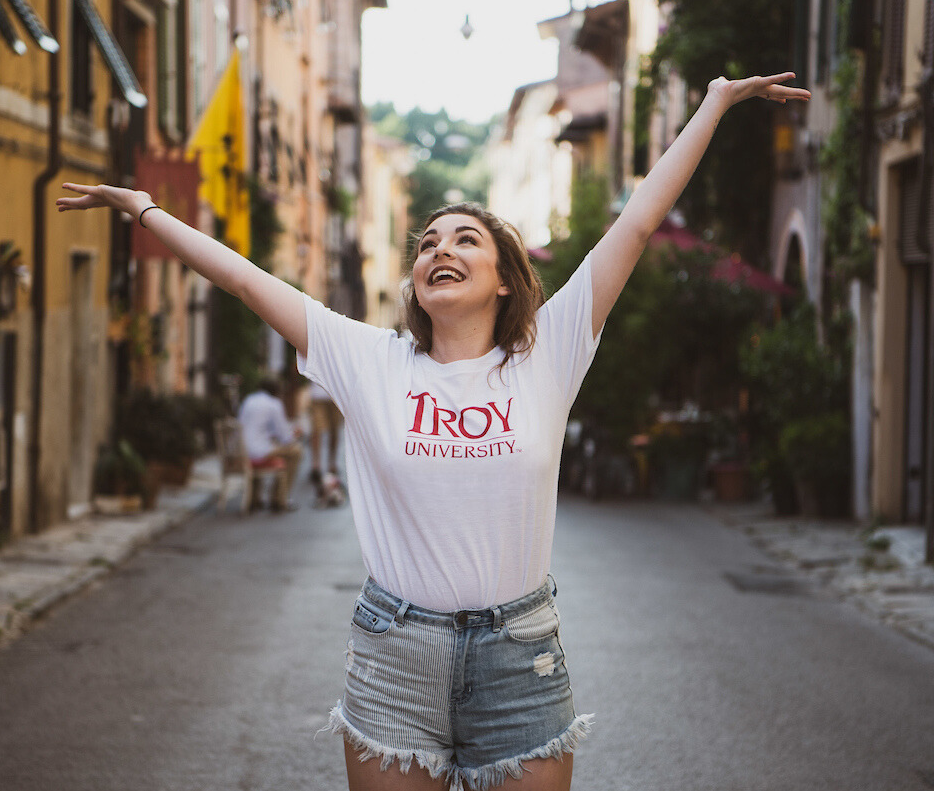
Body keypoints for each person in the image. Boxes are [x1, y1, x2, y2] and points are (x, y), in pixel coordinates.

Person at [58, 72, 809, 791]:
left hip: (521, 656)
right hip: (395, 653)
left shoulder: (549, 350)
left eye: (464, 241)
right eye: (427, 243)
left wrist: (712, 103)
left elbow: (638, 222)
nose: (440, 249)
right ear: (416, 280)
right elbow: (247, 280)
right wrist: (145, 209)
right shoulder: (368, 359)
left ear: (506, 277)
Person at [237, 376, 303, 512]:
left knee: (271, 449)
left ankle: (255, 497)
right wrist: (295, 433)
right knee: (295, 451)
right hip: (258, 452)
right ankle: (280, 498)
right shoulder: (274, 404)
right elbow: (285, 437)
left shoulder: (249, 400)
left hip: (241, 450)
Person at [308, 379, 343, 487]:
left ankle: (331, 463)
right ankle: (316, 465)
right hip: (318, 394)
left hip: (335, 394)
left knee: (334, 430)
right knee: (316, 430)